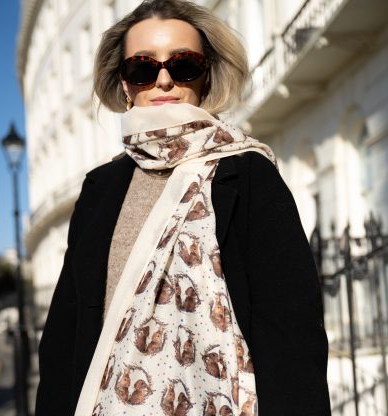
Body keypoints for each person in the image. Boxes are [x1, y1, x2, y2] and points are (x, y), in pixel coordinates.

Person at [35, 1, 331, 415]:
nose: (163, 80)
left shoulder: (247, 174)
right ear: (123, 83)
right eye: (142, 67)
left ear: (206, 75)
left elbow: (293, 336)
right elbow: (64, 337)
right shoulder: (100, 189)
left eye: (183, 65)